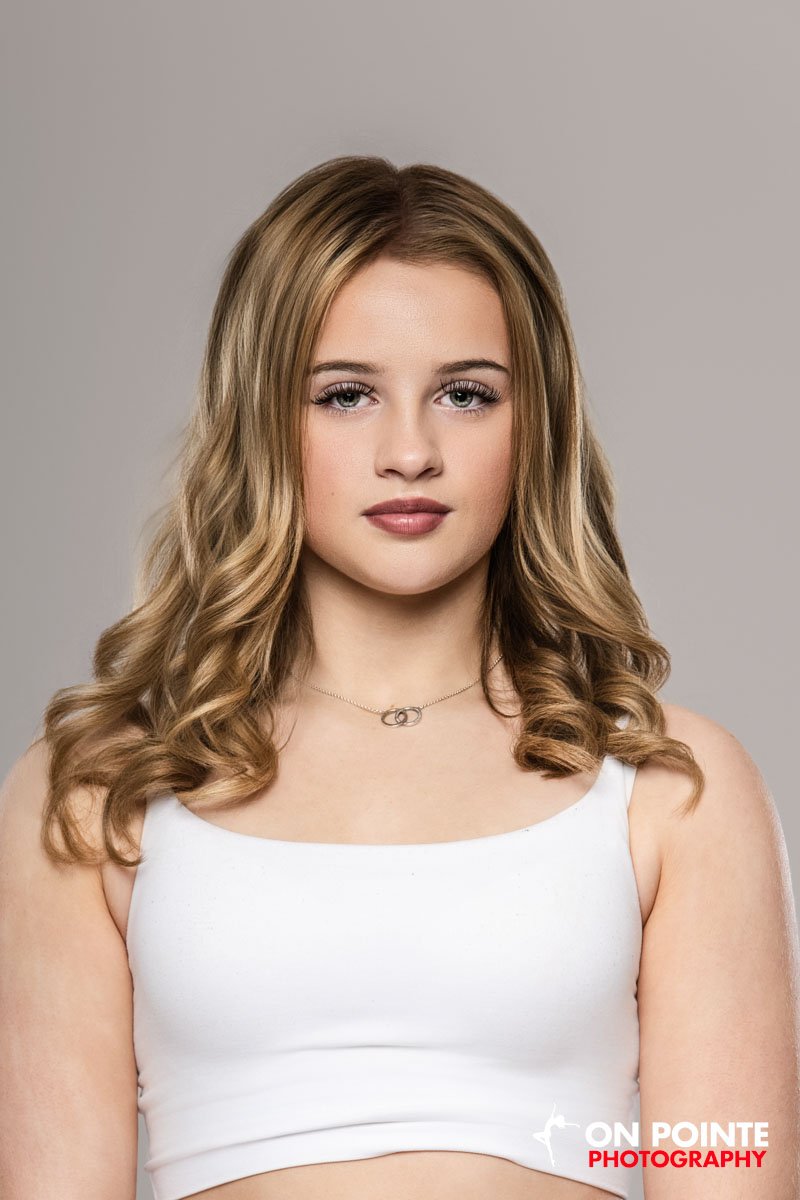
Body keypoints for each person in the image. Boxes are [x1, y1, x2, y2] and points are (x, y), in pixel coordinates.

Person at [1, 155, 797, 1200]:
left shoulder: (670, 788)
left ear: (533, 425)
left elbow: (718, 1166)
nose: (409, 451)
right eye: (345, 395)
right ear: (262, 423)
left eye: (464, 395)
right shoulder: (99, 789)